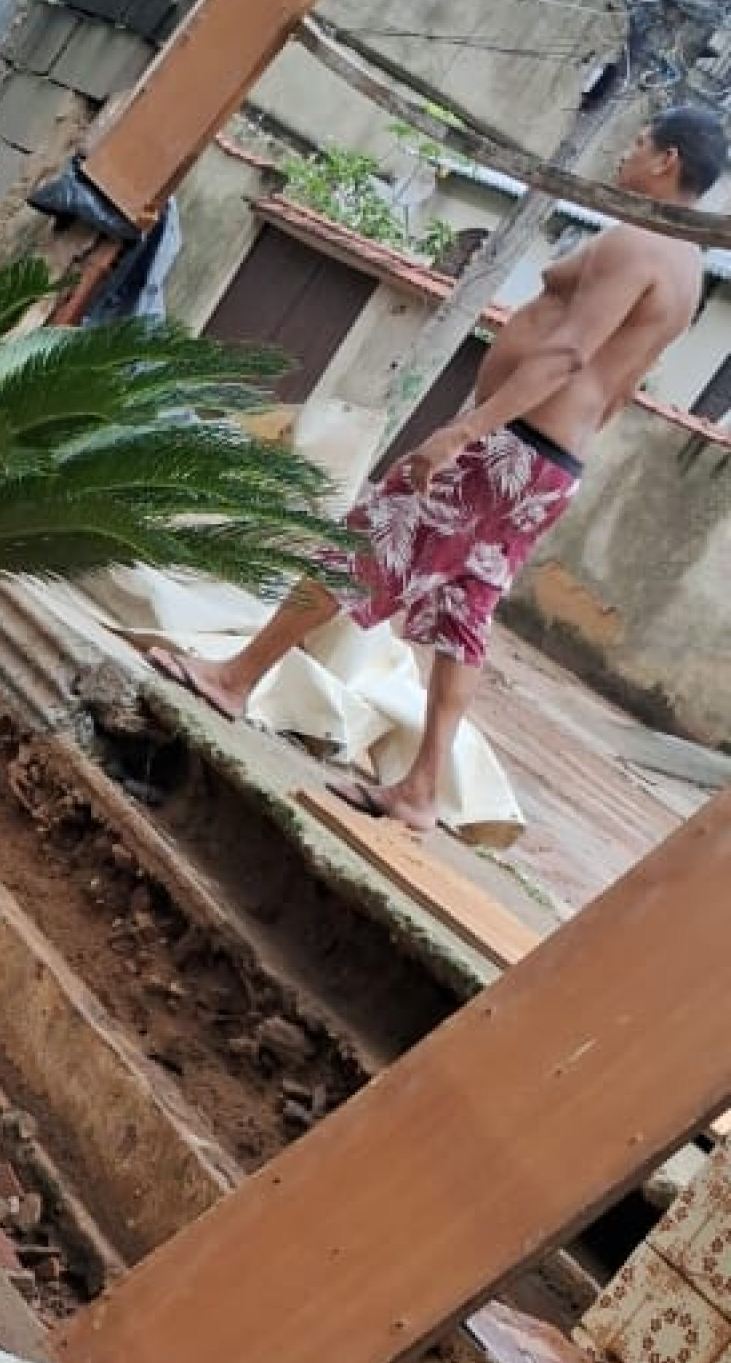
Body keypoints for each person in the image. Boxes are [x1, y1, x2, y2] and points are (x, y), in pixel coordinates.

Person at [149, 103, 728, 829]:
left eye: (639, 142)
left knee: (366, 545)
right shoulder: (690, 269)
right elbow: (618, 386)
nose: (624, 151)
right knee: (465, 612)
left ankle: (234, 679)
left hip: (511, 444)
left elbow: (571, 352)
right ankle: (423, 787)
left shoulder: (638, 238)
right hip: (555, 464)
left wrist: (465, 431)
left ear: (668, 160)